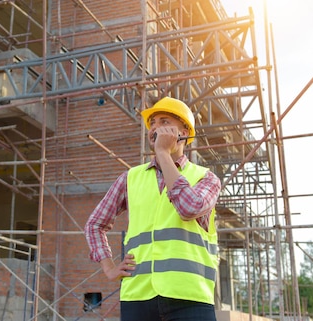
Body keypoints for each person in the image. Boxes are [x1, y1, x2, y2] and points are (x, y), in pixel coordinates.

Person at [84, 96, 221, 321]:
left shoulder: (206, 178)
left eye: (164, 121)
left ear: (184, 132)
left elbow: (188, 208)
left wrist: (164, 154)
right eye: (152, 123)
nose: (155, 127)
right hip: (138, 298)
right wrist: (109, 267)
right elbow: (94, 225)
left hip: (190, 298)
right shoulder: (130, 178)